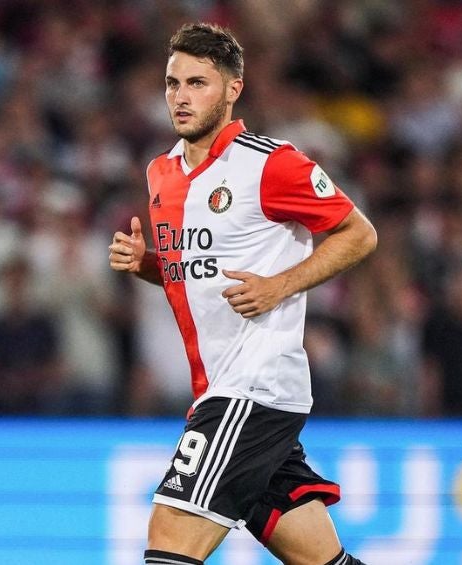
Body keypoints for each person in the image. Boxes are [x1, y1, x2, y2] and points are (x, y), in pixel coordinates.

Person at [108, 23, 376, 565]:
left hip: (253, 387)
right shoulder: (161, 172)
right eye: (172, 83)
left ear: (233, 89)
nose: (181, 97)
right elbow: (196, 273)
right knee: (323, 560)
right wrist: (147, 266)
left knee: (169, 535)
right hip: (220, 388)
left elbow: (359, 233)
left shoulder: (271, 163)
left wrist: (281, 284)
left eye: (198, 83)